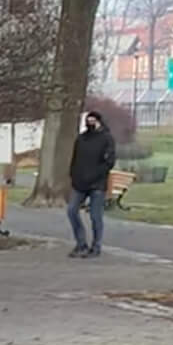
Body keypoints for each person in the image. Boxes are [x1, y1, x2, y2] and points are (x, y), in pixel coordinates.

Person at [66, 109, 116, 257]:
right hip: (79, 183)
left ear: (99, 122)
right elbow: (75, 159)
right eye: (89, 121)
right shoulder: (81, 138)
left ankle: (96, 246)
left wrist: (96, 175)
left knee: (95, 216)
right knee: (71, 211)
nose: (91, 123)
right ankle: (81, 243)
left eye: (94, 121)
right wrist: (73, 175)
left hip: (97, 184)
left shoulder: (107, 138)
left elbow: (109, 162)